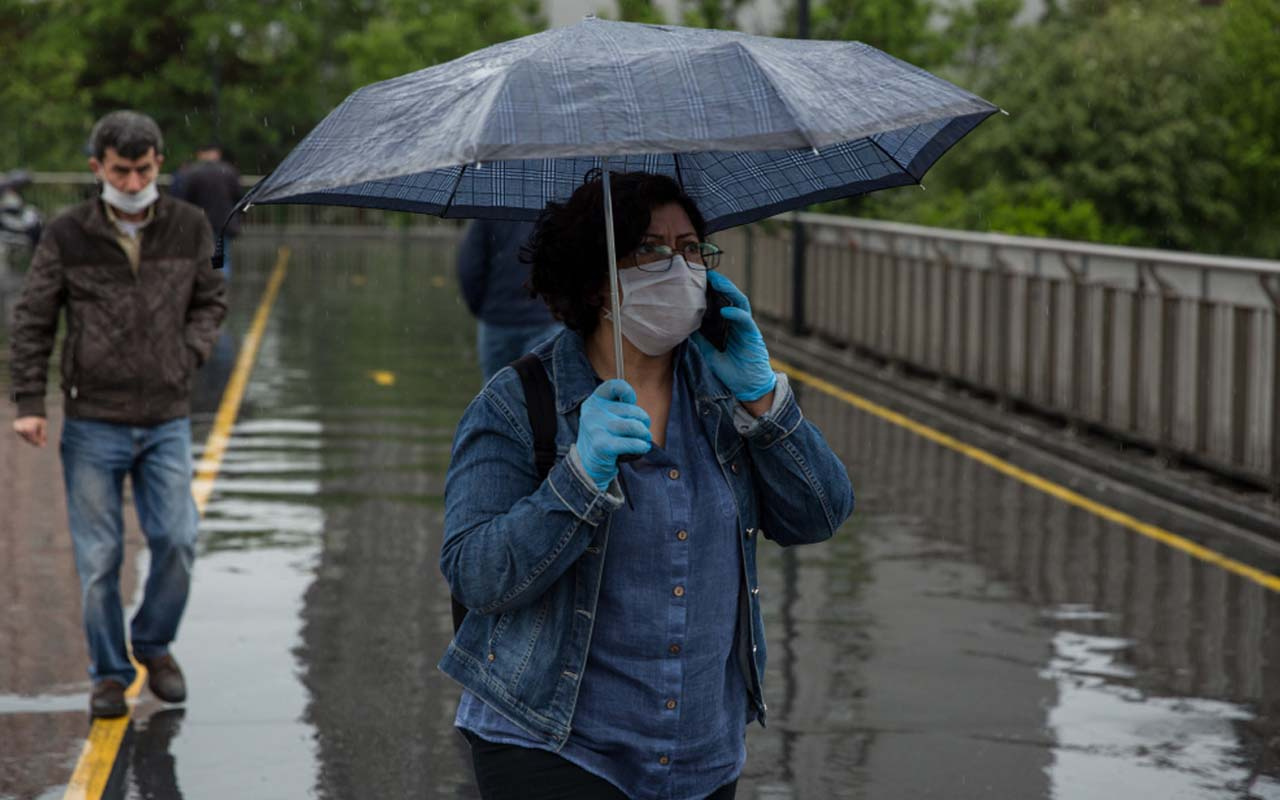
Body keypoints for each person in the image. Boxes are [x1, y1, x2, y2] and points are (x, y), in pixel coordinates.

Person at [439, 171, 854, 800]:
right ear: (599, 279)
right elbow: (475, 571)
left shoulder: (722, 393)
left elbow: (820, 513)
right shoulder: (518, 402)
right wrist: (579, 478)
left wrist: (765, 400)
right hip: (553, 746)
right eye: (652, 249)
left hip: (701, 760)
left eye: (691, 248)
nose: (680, 266)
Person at [8, 110, 227, 718]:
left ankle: (152, 642)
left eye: (143, 169)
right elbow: (33, 316)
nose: (132, 182)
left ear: (160, 162)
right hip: (92, 418)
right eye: (120, 171)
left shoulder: (188, 226)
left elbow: (212, 299)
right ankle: (108, 672)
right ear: (97, 167)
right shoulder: (67, 233)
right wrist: (29, 402)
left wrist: (189, 353)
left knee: (179, 539)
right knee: (100, 558)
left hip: (166, 415)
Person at [456, 218, 562, 380]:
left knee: (493, 396)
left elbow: (469, 268)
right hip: (545, 318)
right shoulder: (552, 210)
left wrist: (483, 309)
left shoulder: (488, 210)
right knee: (544, 395)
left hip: (498, 320)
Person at [169, 143, 242, 275]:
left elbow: (184, 199)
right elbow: (238, 197)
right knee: (222, 261)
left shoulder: (192, 173)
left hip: (199, 223)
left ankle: (205, 287)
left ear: (200, 154)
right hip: (224, 222)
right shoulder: (229, 171)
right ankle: (220, 289)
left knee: (200, 259)